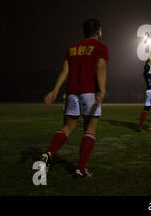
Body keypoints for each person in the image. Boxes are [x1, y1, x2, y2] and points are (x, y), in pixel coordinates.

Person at [42, 18, 109, 177]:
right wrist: (102, 89)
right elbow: (100, 66)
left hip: (72, 92)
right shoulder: (101, 47)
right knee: (90, 130)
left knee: (67, 127)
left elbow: (65, 69)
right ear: (98, 31)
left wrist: (54, 90)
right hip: (89, 92)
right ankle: (81, 169)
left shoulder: (72, 48)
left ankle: (49, 153)